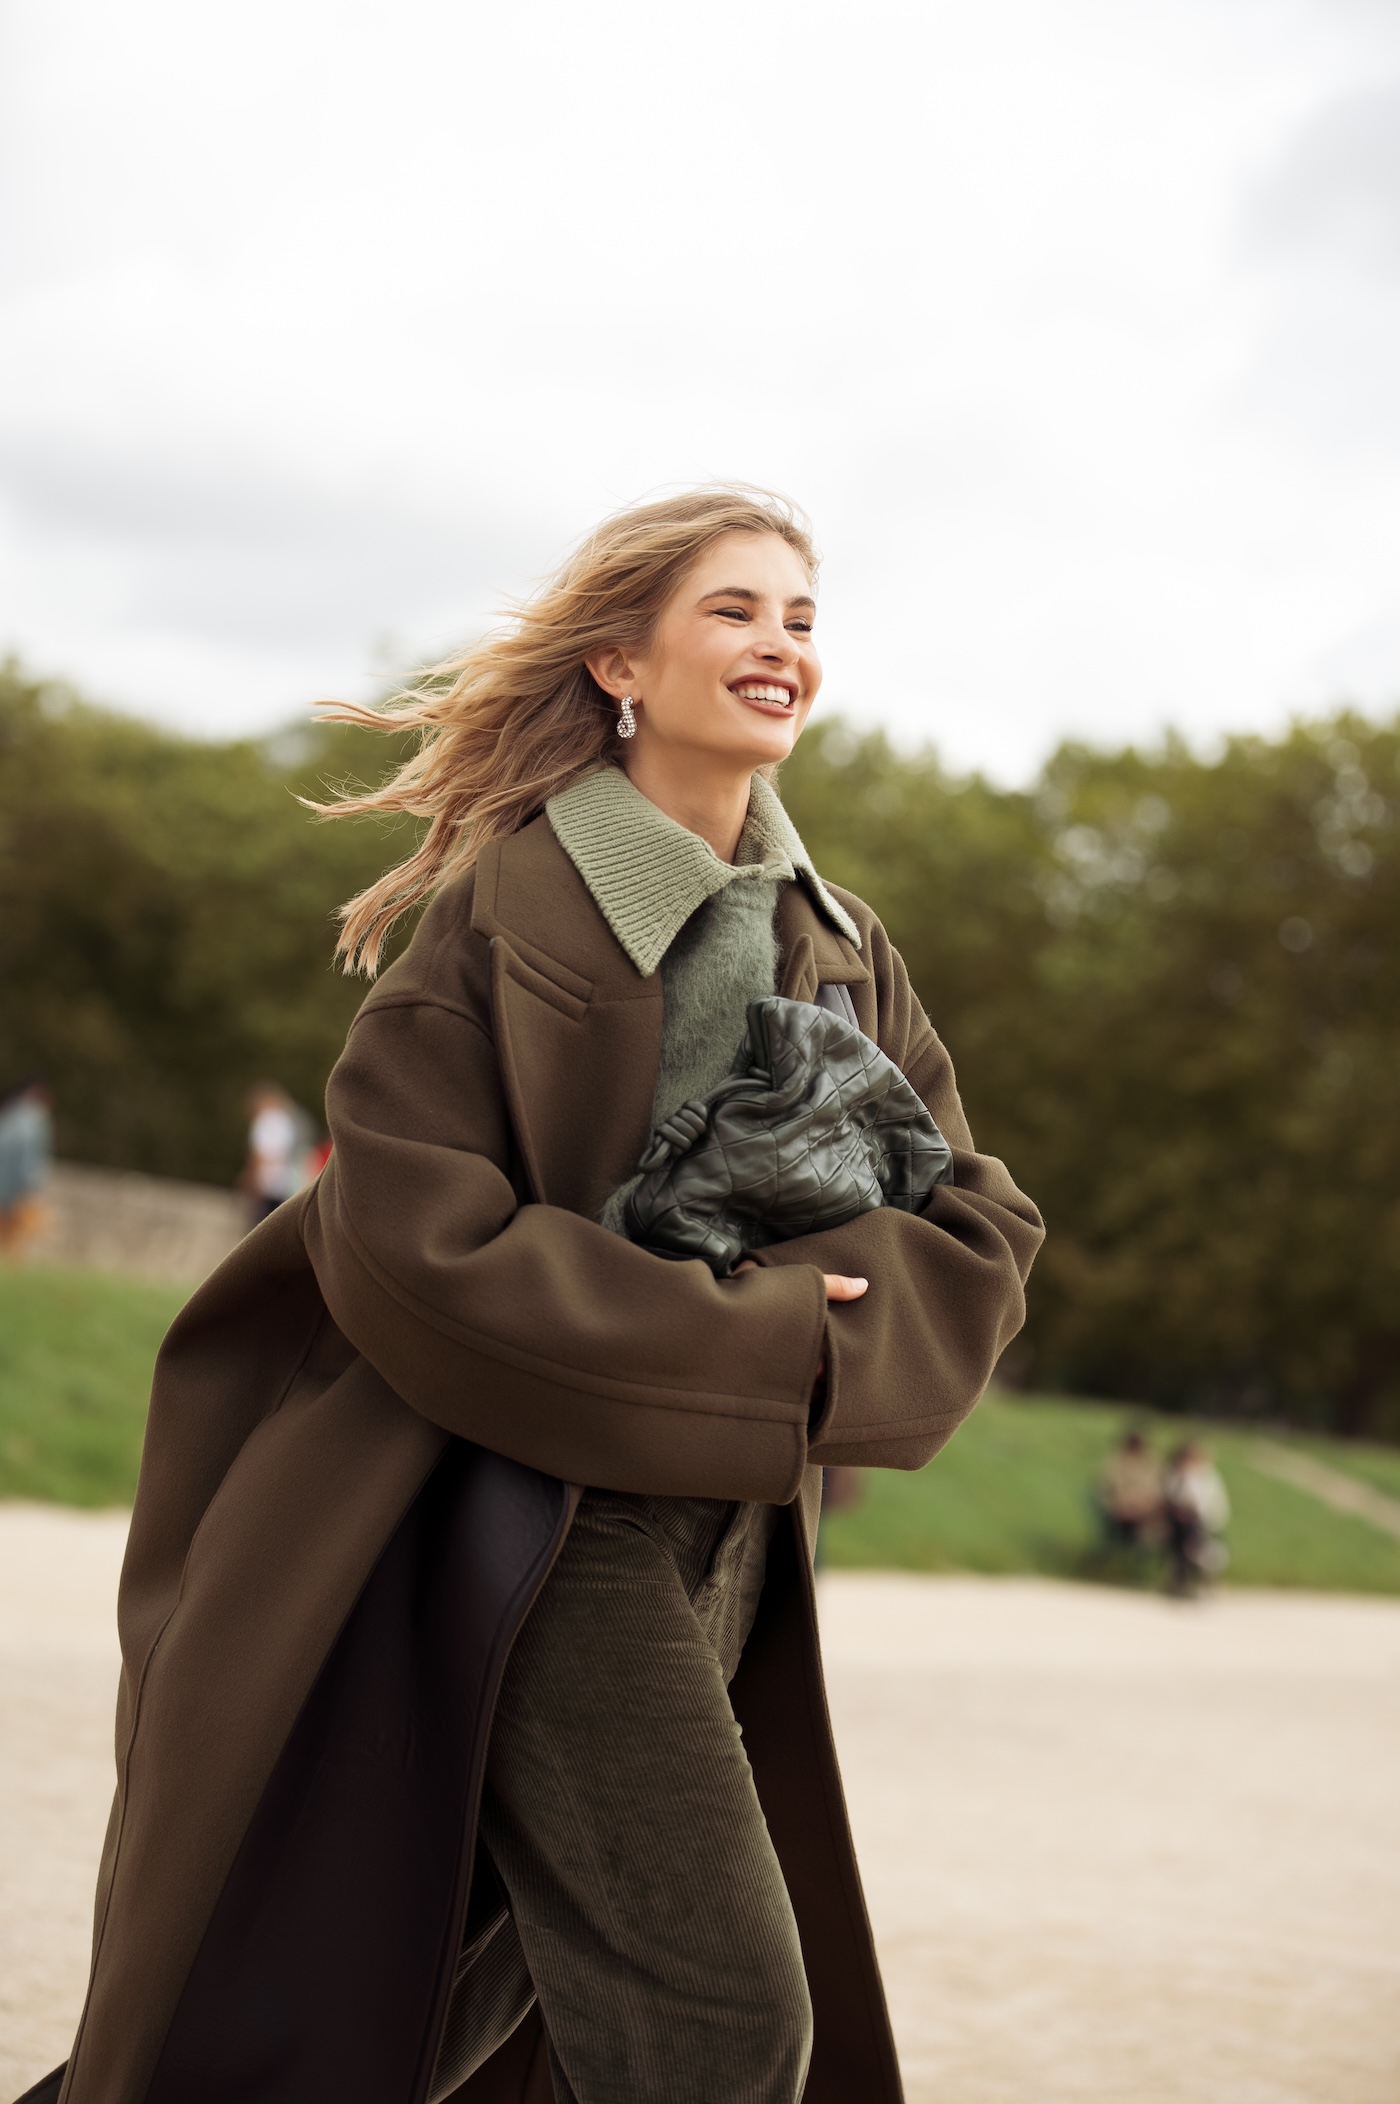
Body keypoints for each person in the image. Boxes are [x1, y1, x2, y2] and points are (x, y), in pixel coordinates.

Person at [26, 487, 1044, 2104]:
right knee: (718, 2019)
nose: (782, 640)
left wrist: (784, 1345)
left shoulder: (841, 943)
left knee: (440, 2005)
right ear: (622, 660)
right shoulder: (508, 910)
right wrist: (770, 1332)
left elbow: (979, 1227)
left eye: (801, 614)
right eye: (737, 608)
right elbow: (414, 1242)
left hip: (738, 1528)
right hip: (525, 1522)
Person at [1163, 1441, 1231, 1597]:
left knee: (1189, 1537)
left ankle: (1184, 1578)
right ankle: (1185, 1579)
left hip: (1202, 1523)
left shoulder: (1206, 1476)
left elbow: (1206, 1505)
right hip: (1182, 1523)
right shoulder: (1176, 1475)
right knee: (1184, 1536)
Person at [238, 1082, 313, 1223]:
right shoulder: (288, 1121)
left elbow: (262, 1153)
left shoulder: (267, 1121)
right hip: (287, 1185)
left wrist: (251, 1175)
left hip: (268, 1184)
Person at [0, 1078, 53, 1257]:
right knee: (17, 1239)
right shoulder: (32, 1119)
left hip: (5, 1189)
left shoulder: (9, 1115)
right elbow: (28, 1160)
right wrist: (30, 1187)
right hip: (15, 1191)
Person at [1096, 1429, 1164, 1554]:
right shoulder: (1115, 1463)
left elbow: (1157, 1489)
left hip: (1146, 1510)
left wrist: (1145, 1506)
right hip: (1121, 1509)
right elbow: (1107, 1488)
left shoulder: (1152, 1463)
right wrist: (1120, 1506)